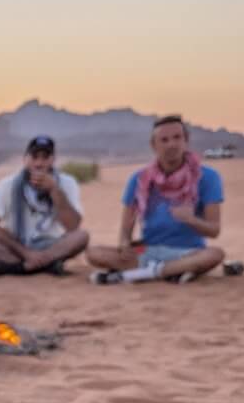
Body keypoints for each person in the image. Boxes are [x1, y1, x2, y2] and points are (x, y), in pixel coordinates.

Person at [87, 115, 225, 284]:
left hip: (188, 251)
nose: (171, 144)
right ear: (154, 145)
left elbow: (214, 230)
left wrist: (191, 220)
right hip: (147, 248)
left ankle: (143, 274)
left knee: (215, 254)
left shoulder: (207, 177)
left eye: (177, 138)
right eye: (164, 140)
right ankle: (173, 272)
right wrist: (125, 245)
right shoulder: (139, 179)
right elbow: (125, 230)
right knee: (94, 253)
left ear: (186, 141)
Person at [0, 135, 89, 275]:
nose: (39, 163)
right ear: (25, 159)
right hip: (16, 245)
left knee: (82, 237)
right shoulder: (7, 184)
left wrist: (54, 190)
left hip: (50, 245)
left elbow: (73, 226)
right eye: (34, 157)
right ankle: (46, 265)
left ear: (53, 160)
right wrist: (26, 253)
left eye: (45, 158)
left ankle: (20, 267)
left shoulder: (67, 183)